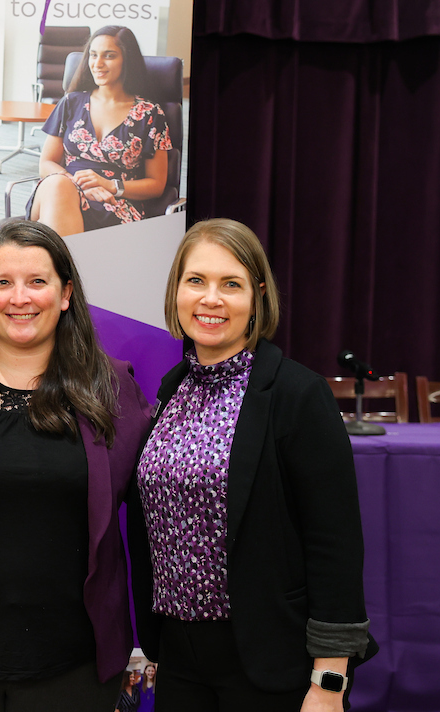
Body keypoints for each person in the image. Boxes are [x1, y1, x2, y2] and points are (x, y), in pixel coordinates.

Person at [0, 220, 153, 712]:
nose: (20, 297)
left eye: (37, 281)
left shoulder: (114, 390)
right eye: (3, 283)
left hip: (74, 667)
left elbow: (152, 519)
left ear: (65, 294)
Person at [128, 218, 377, 711]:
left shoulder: (297, 394)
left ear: (257, 297)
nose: (211, 299)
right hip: (177, 661)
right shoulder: (171, 388)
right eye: (195, 280)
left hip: (270, 663)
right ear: (176, 290)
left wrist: (329, 683)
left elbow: (335, 546)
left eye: (231, 284)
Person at [29, 25, 172, 236]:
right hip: (62, 191)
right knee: (58, 186)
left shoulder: (150, 113)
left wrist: (110, 185)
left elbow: (156, 185)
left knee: (55, 214)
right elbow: (46, 163)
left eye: (109, 56)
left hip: (115, 202)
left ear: (127, 60)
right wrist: (79, 185)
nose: (98, 64)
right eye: (93, 55)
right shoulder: (70, 102)